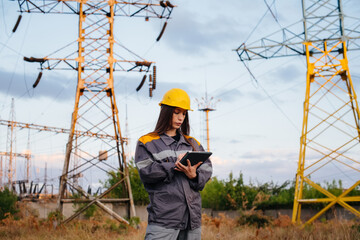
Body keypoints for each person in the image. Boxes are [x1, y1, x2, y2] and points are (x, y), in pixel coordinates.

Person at [135, 88, 213, 240]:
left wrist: (194, 175)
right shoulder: (147, 142)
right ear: (166, 111)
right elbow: (146, 172)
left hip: (192, 220)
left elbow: (208, 169)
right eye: (176, 112)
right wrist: (174, 166)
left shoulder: (193, 144)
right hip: (164, 220)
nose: (181, 117)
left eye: (184, 113)